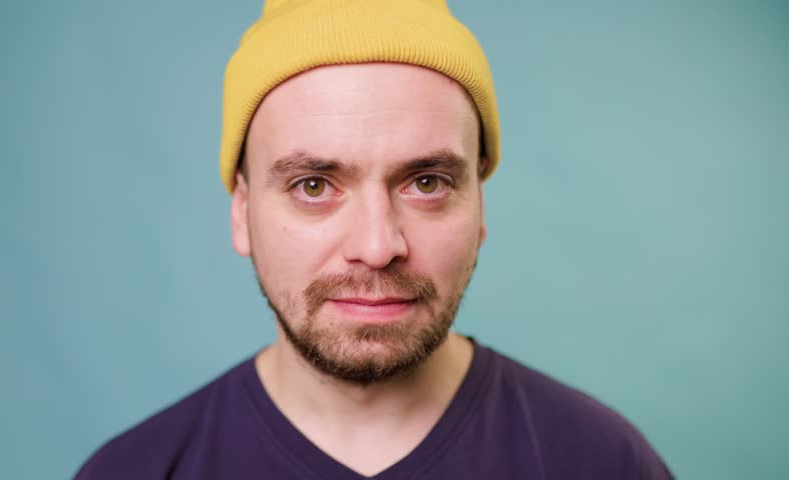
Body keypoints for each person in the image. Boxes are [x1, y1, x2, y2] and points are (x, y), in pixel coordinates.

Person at [75, 1, 674, 478]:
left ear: (481, 207)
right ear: (242, 211)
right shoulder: (137, 470)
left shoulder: (604, 462)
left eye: (427, 182)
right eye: (314, 185)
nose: (377, 245)